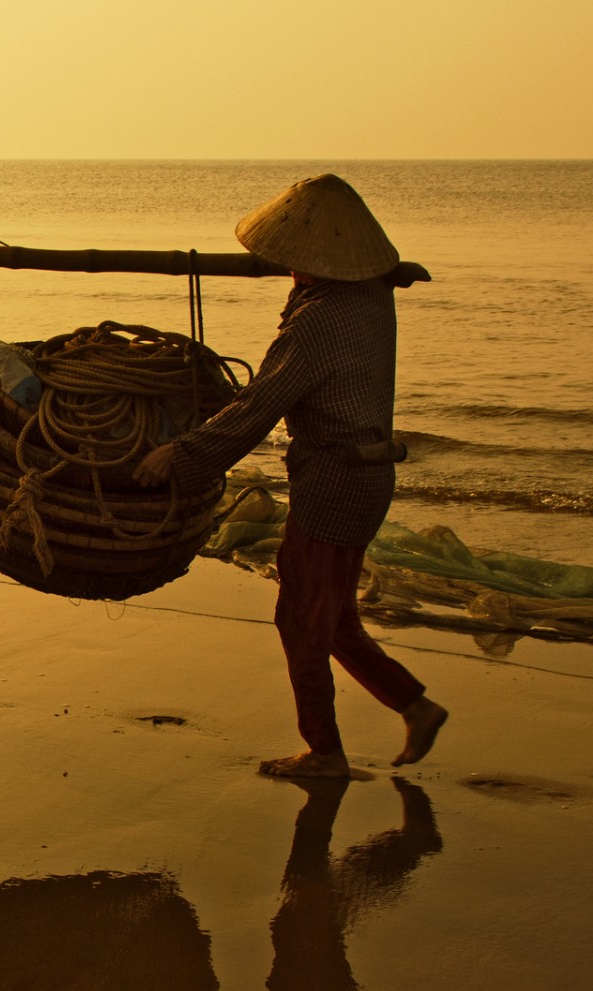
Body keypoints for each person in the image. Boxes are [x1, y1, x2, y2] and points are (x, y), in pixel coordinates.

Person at [133, 174, 447, 779]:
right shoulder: (374, 297)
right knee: (334, 616)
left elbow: (258, 407)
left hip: (333, 482)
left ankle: (325, 752)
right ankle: (414, 704)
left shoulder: (315, 324)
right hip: (370, 477)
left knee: (300, 616)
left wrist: (183, 454)